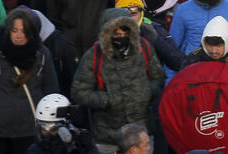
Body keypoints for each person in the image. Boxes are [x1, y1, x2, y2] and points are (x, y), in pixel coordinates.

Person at [70, 10, 165, 151]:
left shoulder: (144, 48)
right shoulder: (94, 56)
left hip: (141, 135)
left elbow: (159, 78)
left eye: (125, 33)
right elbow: (78, 92)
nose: (122, 37)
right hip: (108, 138)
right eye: (116, 34)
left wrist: (146, 92)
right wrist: (106, 100)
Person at [0, 9, 58, 154]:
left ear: (31, 33)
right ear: (7, 31)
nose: (18, 35)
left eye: (24, 31)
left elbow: (52, 92)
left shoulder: (42, 54)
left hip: (30, 130)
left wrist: (50, 128)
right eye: (14, 30)